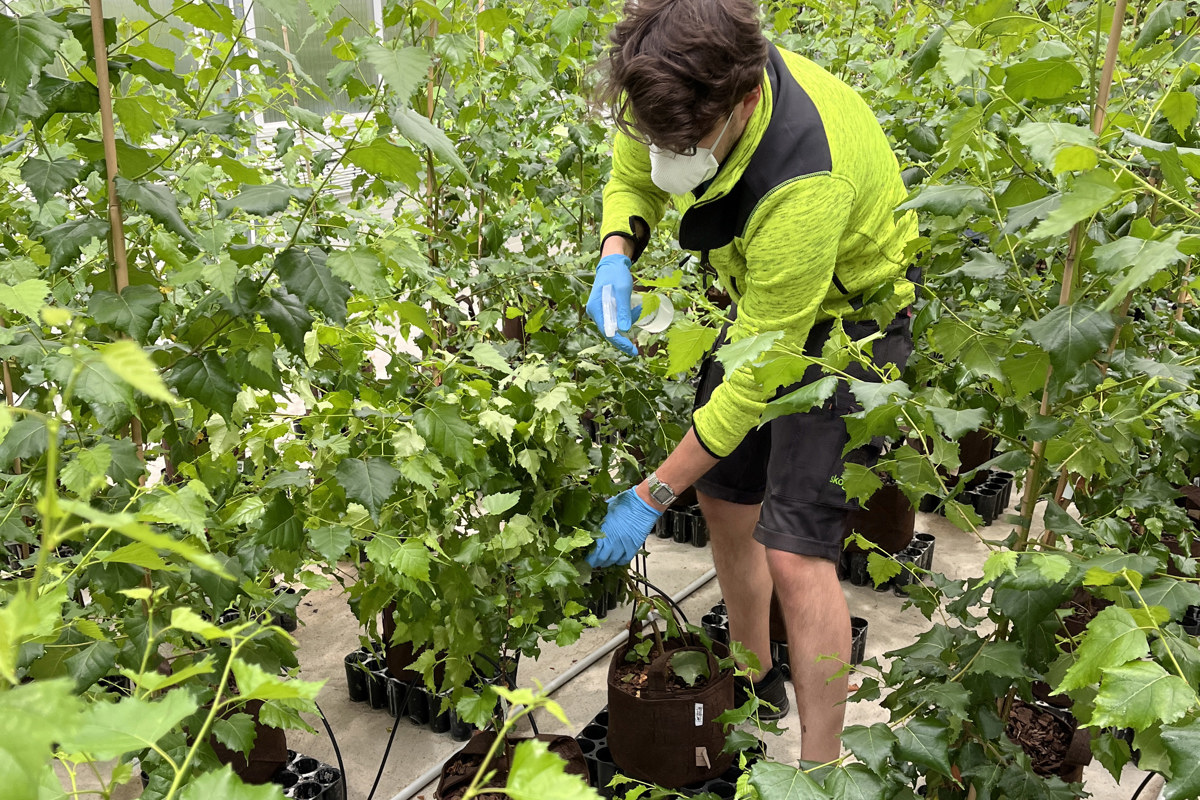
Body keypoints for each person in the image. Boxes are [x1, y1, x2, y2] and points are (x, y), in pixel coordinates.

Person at [582, 0, 919, 763]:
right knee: (727, 495)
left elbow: (755, 381)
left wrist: (648, 495)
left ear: (744, 100)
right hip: (767, 303)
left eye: (686, 142)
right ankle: (753, 673)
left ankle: (819, 766)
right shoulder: (672, 88)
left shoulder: (805, 182)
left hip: (850, 323)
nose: (667, 151)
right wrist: (615, 250)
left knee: (799, 548)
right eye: (653, 130)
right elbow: (631, 171)